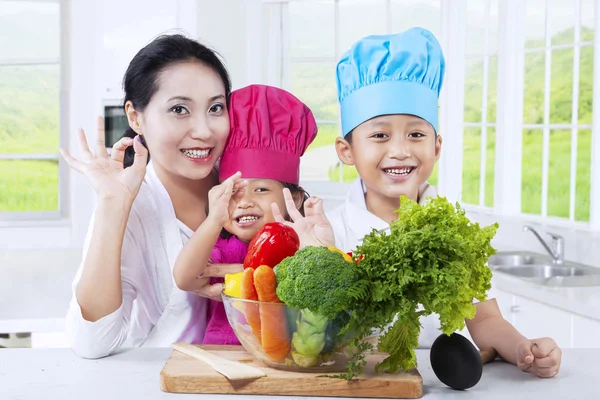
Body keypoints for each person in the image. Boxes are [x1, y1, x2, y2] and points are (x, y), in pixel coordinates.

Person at [326, 27, 562, 378]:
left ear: (436, 146)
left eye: (416, 134)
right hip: (361, 385)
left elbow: (484, 319)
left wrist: (521, 347)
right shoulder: (329, 230)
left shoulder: (456, 232)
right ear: (347, 151)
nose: (401, 150)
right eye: (379, 135)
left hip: (443, 385)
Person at [61, 34, 242, 359]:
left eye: (216, 107)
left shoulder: (249, 191)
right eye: (179, 109)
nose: (204, 130)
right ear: (135, 117)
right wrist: (111, 206)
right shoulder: (133, 203)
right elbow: (92, 342)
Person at [172, 84, 319, 345]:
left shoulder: (302, 247)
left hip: (288, 361)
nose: (245, 201)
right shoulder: (221, 247)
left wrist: (236, 273)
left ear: (293, 198)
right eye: (234, 192)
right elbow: (184, 279)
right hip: (222, 358)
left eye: (261, 189)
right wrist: (214, 219)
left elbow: (310, 286)